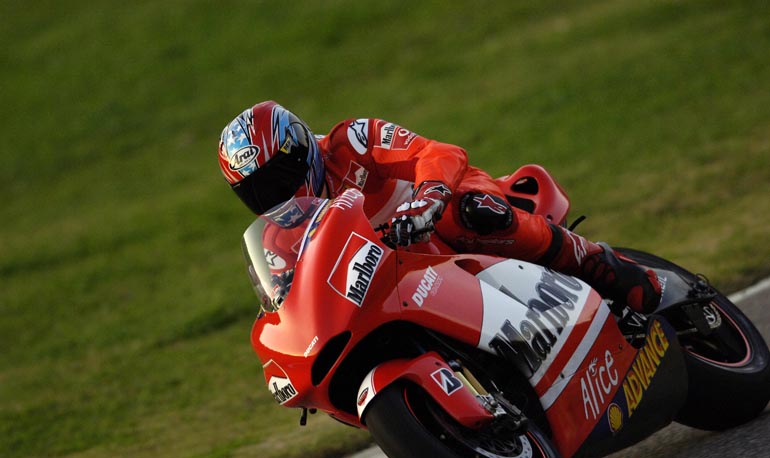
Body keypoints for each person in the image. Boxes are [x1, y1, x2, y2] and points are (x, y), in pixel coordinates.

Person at [218, 101, 661, 314]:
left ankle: (591, 260)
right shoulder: (279, 237)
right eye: (257, 192)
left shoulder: (349, 141)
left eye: (280, 176)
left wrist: (428, 197)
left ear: (301, 149)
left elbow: (439, 152)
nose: (276, 196)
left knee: (472, 212)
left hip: (444, 210)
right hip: (403, 282)